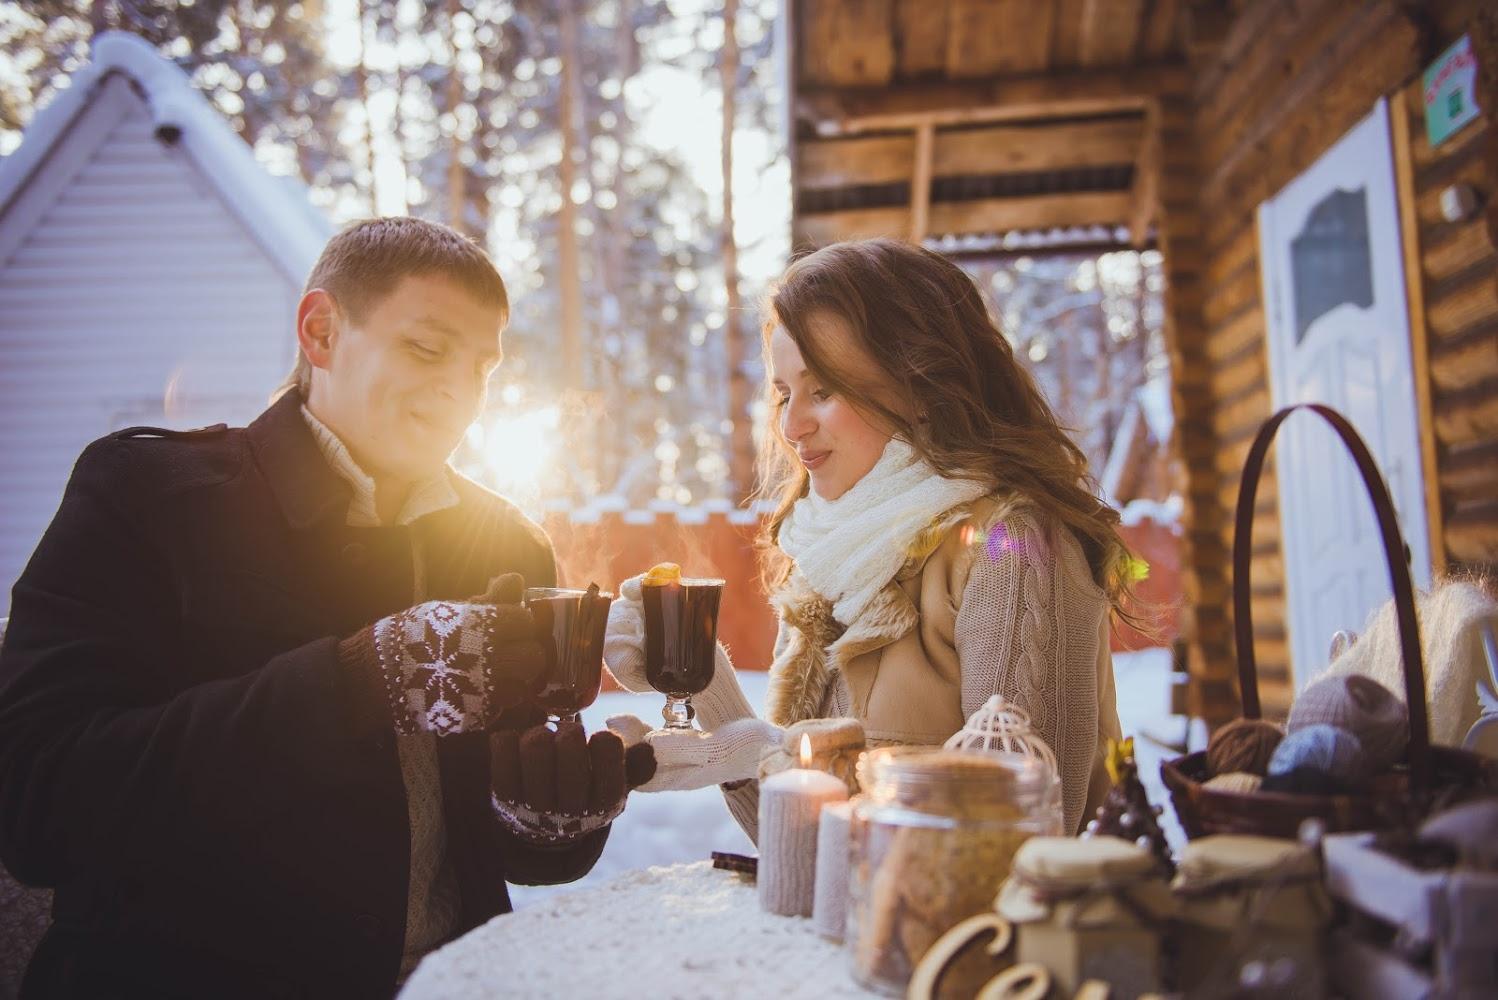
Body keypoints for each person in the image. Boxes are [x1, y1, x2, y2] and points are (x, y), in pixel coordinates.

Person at [0, 217, 642, 998]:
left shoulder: (504, 543)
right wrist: (354, 683)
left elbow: (493, 850)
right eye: (426, 349)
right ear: (321, 331)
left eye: (481, 368)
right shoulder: (146, 499)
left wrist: (547, 816)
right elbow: (36, 805)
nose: (458, 391)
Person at [606, 238, 1127, 838]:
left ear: (919, 384)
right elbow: (797, 851)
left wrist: (765, 750)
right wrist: (705, 689)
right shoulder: (832, 556)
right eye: (783, 394)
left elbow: (1020, 840)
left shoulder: (1015, 546)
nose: (792, 425)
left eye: (823, 389)